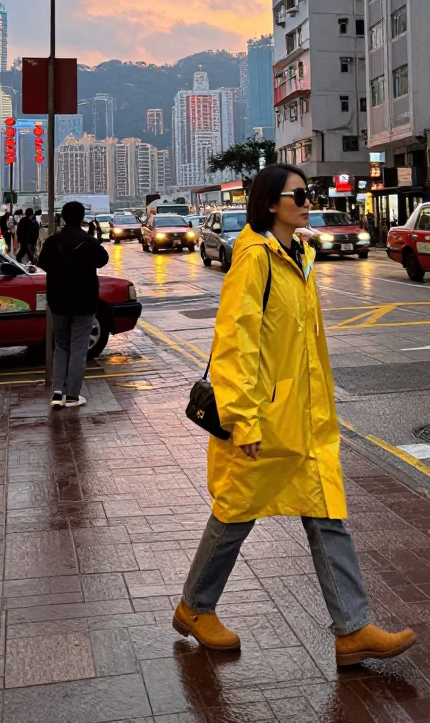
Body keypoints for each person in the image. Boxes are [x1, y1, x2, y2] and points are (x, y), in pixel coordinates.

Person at [174, 165, 416, 668]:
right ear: (269, 205)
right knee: (236, 512)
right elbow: (235, 341)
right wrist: (242, 419)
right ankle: (195, 607)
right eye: (300, 195)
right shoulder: (254, 260)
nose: (309, 202)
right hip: (263, 417)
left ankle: (351, 629)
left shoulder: (298, 256)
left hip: (302, 417)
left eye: (311, 193)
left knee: (327, 514)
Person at [37, 200, 109, 409]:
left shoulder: (52, 242)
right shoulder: (88, 242)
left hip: (58, 301)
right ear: (82, 218)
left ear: (63, 217)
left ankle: (57, 392)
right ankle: (73, 396)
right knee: (78, 348)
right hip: (84, 302)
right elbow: (102, 260)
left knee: (61, 345)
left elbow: (43, 264)